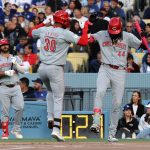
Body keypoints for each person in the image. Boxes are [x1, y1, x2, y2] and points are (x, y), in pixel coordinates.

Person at [30, 10, 90, 141]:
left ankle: (49, 117)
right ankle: (56, 129)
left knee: (50, 92)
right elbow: (84, 42)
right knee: (58, 97)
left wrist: (43, 23)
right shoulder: (65, 33)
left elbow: (31, 32)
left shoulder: (45, 30)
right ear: (63, 20)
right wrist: (85, 28)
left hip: (42, 68)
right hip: (55, 68)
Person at [89, 17, 147, 142]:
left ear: (120, 29)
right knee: (99, 92)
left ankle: (112, 133)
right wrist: (91, 36)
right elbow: (90, 38)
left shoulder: (127, 36)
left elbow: (141, 45)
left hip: (120, 71)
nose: (113, 34)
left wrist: (143, 35)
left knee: (117, 103)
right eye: (111, 32)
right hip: (104, 68)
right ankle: (96, 122)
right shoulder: (102, 34)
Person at [0, 39, 28, 139]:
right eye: (3, 45)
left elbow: (24, 70)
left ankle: (16, 130)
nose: (5, 46)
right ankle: (5, 132)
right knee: (5, 112)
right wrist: (6, 73)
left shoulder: (14, 57)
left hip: (16, 86)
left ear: (9, 46)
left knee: (20, 107)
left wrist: (15, 64)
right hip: (3, 87)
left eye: (6, 45)